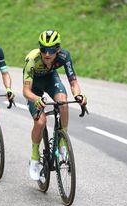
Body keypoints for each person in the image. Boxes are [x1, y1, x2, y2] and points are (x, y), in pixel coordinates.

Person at [23, 30, 87, 180]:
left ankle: (62, 142)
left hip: (50, 78)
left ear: (58, 49)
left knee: (63, 103)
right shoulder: (32, 59)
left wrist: (78, 95)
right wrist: (36, 99)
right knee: (40, 122)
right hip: (34, 87)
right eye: (43, 49)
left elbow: (73, 81)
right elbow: (26, 91)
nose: (47, 54)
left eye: (51, 50)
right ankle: (34, 158)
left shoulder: (65, 56)